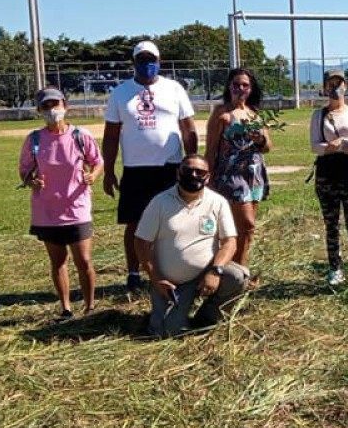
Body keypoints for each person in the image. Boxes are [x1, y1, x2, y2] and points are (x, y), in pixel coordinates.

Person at [102, 41, 198, 295]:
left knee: (174, 221)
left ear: (159, 61)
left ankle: (173, 269)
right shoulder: (121, 93)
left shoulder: (174, 89)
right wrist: (109, 170)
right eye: (142, 60)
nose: (147, 65)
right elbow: (111, 135)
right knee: (135, 223)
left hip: (170, 167)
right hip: (136, 169)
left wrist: (193, 161)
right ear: (134, 63)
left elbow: (188, 127)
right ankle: (134, 273)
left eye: (151, 59)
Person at [135, 154, 248, 337]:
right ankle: (172, 318)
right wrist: (155, 278)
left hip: (205, 273)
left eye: (200, 172)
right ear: (178, 173)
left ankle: (207, 318)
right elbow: (141, 242)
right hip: (169, 283)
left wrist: (215, 271)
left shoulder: (218, 202)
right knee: (167, 332)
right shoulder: (159, 202)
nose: (194, 175)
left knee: (237, 277)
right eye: (188, 170)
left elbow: (230, 242)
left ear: (208, 177)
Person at [19, 87, 103, 321]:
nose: (51, 110)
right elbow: (24, 170)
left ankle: (89, 307)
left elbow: (97, 161)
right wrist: (31, 180)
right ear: (39, 110)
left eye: (55, 104)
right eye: (45, 106)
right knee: (58, 261)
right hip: (47, 211)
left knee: (84, 260)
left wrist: (93, 176)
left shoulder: (80, 136)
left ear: (65, 105)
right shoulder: (34, 139)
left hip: (77, 208)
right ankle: (66, 308)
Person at [205, 68, 272, 268]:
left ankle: (240, 269)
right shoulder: (221, 113)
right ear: (229, 87)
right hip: (231, 175)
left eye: (245, 85)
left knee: (245, 229)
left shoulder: (256, 115)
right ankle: (233, 269)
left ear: (251, 89)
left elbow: (268, 147)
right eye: (236, 84)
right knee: (247, 223)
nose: (240, 88)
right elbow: (211, 147)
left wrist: (261, 138)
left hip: (254, 175)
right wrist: (207, 176)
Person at [309, 68, 348, 286]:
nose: (335, 88)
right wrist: (330, 147)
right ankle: (335, 268)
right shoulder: (319, 115)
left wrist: (344, 143)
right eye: (330, 83)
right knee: (331, 224)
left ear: (346, 85)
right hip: (327, 173)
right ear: (324, 87)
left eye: (339, 83)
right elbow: (315, 146)